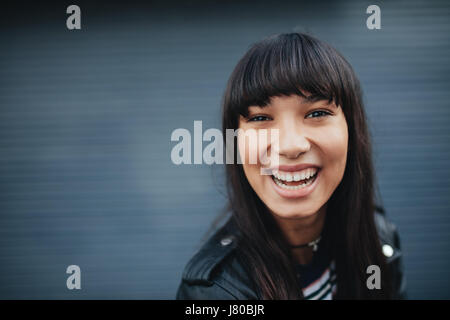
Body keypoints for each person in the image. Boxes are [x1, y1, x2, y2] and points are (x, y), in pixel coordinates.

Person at [176, 32, 407, 300]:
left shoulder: (380, 240)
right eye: (261, 117)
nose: (290, 145)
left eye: (317, 113)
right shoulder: (212, 293)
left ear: (352, 133)